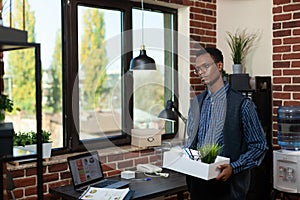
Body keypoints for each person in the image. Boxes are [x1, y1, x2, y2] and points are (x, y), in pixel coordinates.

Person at [185, 47, 268, 200]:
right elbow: (192, 141)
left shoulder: (243, 105)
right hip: (198, 186)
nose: (201, 72)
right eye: (197, 69)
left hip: (229, 188)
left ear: (219, 66)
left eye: (205, 66)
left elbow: (259, 146)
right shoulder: (196, 103)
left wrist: (234, 168)